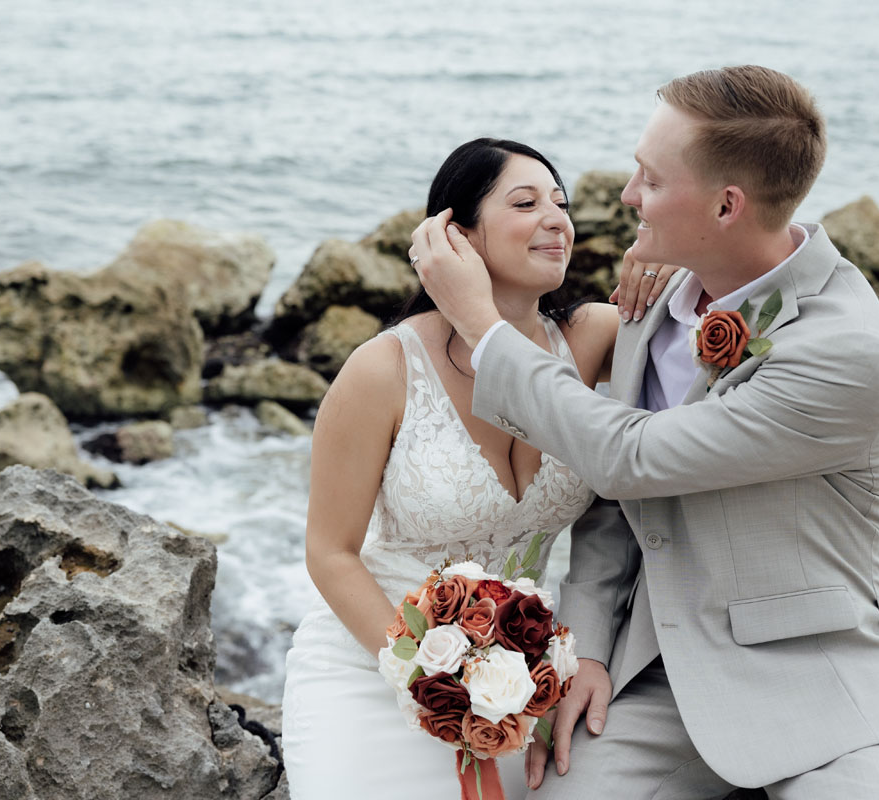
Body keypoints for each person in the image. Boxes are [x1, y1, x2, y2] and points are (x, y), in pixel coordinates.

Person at [408, 66, 879, 798]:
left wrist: (484, 329)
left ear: (725, 206)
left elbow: (630, 458)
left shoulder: (851, 352)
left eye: (649, 180)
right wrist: (583, 648)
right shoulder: (659, 294)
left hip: (814, 690)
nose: (625, 196)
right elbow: (616, 508)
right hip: (650, 674)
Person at [280, 138, 676, 799]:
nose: (557, 218)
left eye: (561, 202)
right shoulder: (382, 369)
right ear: (454, 236)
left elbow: (711, 339)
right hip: (375, 664)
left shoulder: (592, 336)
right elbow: (330, 553)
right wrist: (429, 681)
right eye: (525, 202)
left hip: (517, 680)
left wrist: (664, 260)